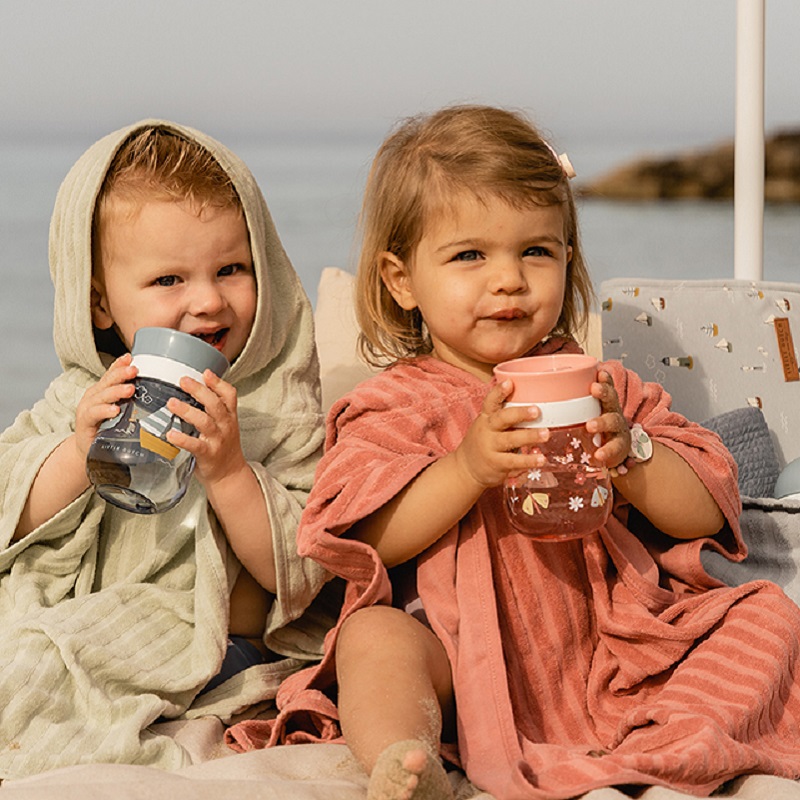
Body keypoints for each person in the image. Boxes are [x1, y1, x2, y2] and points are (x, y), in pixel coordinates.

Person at [225, 104, 800, 800]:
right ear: (401, 279)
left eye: (536, 251)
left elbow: (705, 510)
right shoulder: (392, 405)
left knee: (763, 612)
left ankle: (675, 733)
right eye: (470, 255)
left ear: (567, 260)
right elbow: (362, 535)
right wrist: (465, 469)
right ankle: (404, 761)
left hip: (615, 643)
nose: (508, 279)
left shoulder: (606, 389)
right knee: (372, 640)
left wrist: (633, 455)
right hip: (461, 653)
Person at [0, 121, 338, 778]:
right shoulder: (82, 394)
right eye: (168, 280)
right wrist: (76, 452)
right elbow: (10, 503)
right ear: (100, 300)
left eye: (231, 269)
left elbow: (300, 570)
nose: (207, 300)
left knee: (40, 663)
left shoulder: (277, 402)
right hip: (81, 608)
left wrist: (232, 472)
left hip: (199, 641)